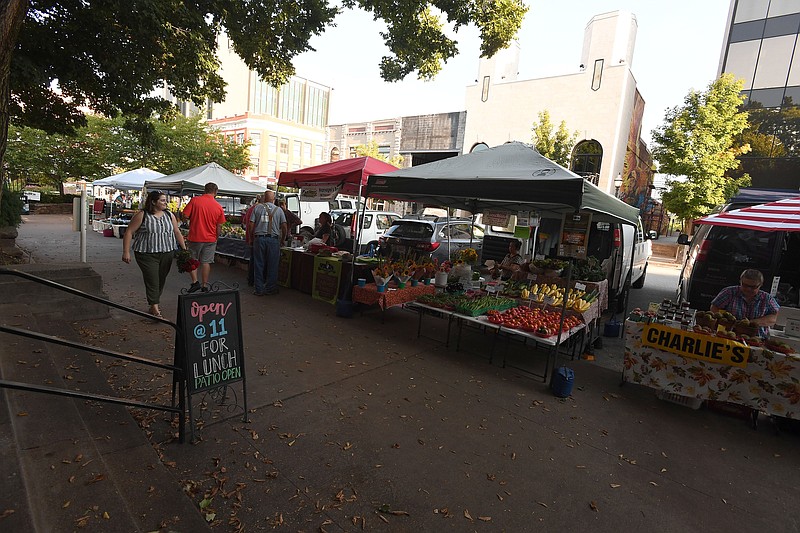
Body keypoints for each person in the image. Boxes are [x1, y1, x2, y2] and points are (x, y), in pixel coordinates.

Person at [122, 190, 187, 318]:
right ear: (153, 202)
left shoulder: (169, 215)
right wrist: (126, 252)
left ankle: (154, 302)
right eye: (162, 200)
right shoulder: (142, 215)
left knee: (161, 279)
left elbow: (176, 231)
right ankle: (154, 307)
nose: (165, 203)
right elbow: (129, 232)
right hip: (146, 253)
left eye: (165, 200)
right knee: (152, 279)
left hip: (167, 252)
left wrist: (184, 249)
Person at [181, 182, 226, 293]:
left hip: (195, 236)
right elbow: (219, 225)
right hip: (210, 238)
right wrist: (216, 236)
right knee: (206, 262)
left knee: (192, 260)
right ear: (216, 192)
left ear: (204, 190)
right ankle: (205, 285)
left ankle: (195, 282)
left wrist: (186, 221)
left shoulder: (195, 201)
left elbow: (185, 215)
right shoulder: (218, 206)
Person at [710, 269, 780, 338]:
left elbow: (776, 316)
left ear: (760, 285)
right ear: (740, 282)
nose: (748, 289)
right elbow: (714, 307)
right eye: (745, 285)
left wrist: (752, 323)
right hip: (729, 335)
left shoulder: (767, 298)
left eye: (753, 287)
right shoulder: (729, 292)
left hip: (757, 338)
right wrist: (725, 321)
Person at [247, 189, 287, 296]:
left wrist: (251, 238)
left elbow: (251, 224)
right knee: (273, 265)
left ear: (264, 198)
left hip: (259, 239)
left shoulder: (257, 208)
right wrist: (283, 239)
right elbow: (284, 226)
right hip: (273, 240)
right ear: (273, 199)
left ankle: (259, 289)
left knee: (258, 264)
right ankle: (270, 288)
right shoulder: (279, 210)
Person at [243, 194, 263, 286]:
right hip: (255, 237)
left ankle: (250, 279)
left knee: (253, 259)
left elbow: (244, 222)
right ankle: (255, 281)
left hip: (250, 237)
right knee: (258, 261)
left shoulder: (250, 209)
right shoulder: (259, 210)